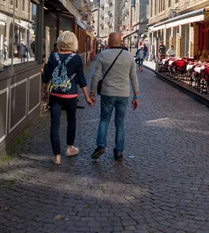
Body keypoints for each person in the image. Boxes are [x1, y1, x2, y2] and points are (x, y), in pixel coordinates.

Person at [42, 31, 93, 165]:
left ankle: (57, 156)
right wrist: (87, 97)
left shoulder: (53, 56)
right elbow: (82, 80)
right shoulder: (76, 59)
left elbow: (45, 77)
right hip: (71, 95)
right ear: (73, 43)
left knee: (55, 123)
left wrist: (44, 92)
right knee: (71, 120)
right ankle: (70, 148)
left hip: (55, 94)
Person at [90, 32, 139, 162]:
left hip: (107, 93)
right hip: (123, 94)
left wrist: (92, 93)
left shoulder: (103, 55)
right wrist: (136, 96)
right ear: (121, 42)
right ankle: (118, 151)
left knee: (104, 120)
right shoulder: (129, 56)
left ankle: (101, 145)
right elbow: (133, 77)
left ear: (109, 42)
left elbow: (96, 76)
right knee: (120, 123)